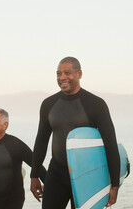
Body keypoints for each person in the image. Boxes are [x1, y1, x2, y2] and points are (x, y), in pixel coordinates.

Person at [30, 56, 121, 209]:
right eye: (58, 74)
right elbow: (41, 142)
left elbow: (110, 145)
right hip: (57, 172)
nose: (62, 78)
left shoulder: (96, 104)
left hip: (86, 175)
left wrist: (114, 185)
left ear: (79, 74)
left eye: (67, 73)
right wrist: (34, 175)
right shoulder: (49, 104)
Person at [0, 109, 46, 209]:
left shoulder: (16, 145)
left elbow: (36, 165)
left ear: (5, 125)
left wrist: (49, 184)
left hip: (14, 200)